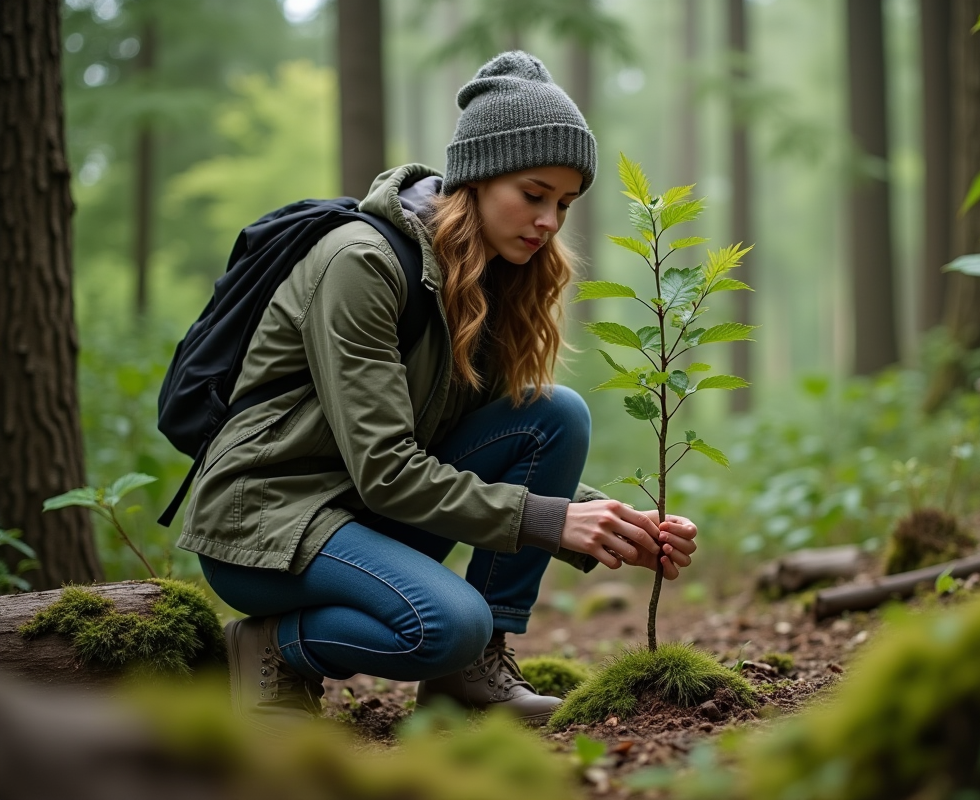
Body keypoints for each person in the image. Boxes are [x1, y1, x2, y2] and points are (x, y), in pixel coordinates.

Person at [177, 51, 700, 731]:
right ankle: (273, 645)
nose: (549, 222)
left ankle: (474, 672)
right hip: (267, 523)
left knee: (553, 417)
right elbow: (388, 469)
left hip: (358, 513)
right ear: (477, 178)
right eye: (533, 194)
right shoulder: (362, 264)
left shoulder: (488, 277)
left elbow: (478, 454)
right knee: (445, 623)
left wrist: (615, 527)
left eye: (564, 205)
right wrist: (553, 521)